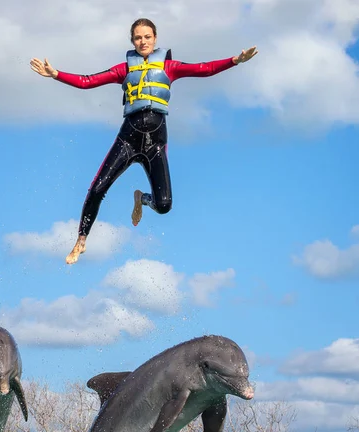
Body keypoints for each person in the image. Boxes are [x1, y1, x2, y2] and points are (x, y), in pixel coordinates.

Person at [30, 18, 257, 264]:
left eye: (147, 37)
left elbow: (205, 68)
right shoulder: (124, 69)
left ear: (155, 38)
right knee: (97, 188)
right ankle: (81, 240)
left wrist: (235, 60)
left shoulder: (170, 67)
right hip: (128, 139)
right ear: (132, 41)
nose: (143, 41)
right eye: (138, 37)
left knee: (164, 205)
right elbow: (88, 81)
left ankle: (142, 198)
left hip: (155, 143)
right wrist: (55, 74)